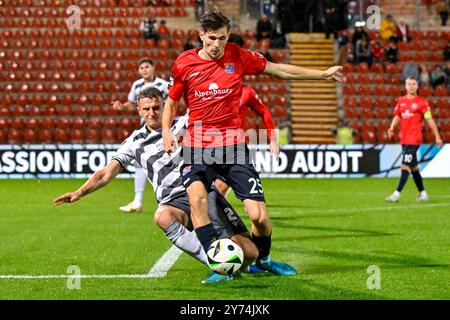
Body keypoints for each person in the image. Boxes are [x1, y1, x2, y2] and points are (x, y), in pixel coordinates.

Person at [162, 10, 343, 275]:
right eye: (211, 38)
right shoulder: (184, 63)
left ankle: (264, 261)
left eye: (222, 39)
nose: (216, 45)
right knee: (197, 199)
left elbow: (278, 69)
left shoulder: (238, 55)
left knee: (259, 217)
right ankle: (217, 260)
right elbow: (171, 103)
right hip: (197, 145)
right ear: (201, 35)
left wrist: (322, 74)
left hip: (233, 148)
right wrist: (167, 131)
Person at [54, 88, 260, 284]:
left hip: (204, 193)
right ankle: (215, 263)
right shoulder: (134, 142)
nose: (152, 113)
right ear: (139, 111)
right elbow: (106, 173)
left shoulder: (185, 124)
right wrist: (79, 192)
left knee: (250, 253)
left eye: (156, 107)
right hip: (174, 202)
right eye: (146, 109)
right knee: (162, 216)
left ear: (165, 106)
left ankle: (249, 263)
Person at [111, 58, 169, 213]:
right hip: (146, 130)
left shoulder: (163, 85)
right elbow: (132, 104)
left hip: (163, 129)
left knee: (167, 162)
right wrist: (122, 107)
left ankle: (169, 200)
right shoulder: (136, 85)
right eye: (141, 67)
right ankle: (137, 200)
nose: (144, 70)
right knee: (139, 162)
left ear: (153, 68)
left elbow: (173, 103)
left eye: (147, 67)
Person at [214, 84, 279, 196]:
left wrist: (273, 140)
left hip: (235, 148)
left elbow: (264, 112)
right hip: (209, 145)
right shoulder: (212, 91)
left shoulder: (246, 92)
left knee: (220, 188)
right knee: (206, 189)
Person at [385, 77, 443, 203]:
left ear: (417, 86)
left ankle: (396, 194)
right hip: (404, 139)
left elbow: (429, 119)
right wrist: (391, 128)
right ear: (405, 86)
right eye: (409, 84)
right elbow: (397, 116)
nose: (411, 86)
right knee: (414, 167)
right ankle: (423, 193)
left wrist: (437, 136)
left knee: (404, 165)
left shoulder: (422, 102)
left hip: (414, 139)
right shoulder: (401, 101)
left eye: (414, 84)